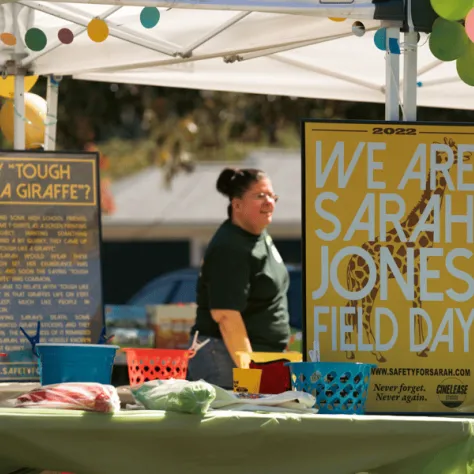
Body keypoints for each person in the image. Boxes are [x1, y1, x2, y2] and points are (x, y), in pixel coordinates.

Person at [187, 167, 290, 389]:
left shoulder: (259, 236)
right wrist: (250, 375)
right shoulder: (230, 247)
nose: (269, 202)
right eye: (260, 196)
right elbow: (226, 316)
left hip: (259, 358)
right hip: (225, 359)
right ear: (237, 204)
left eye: (272, 196)